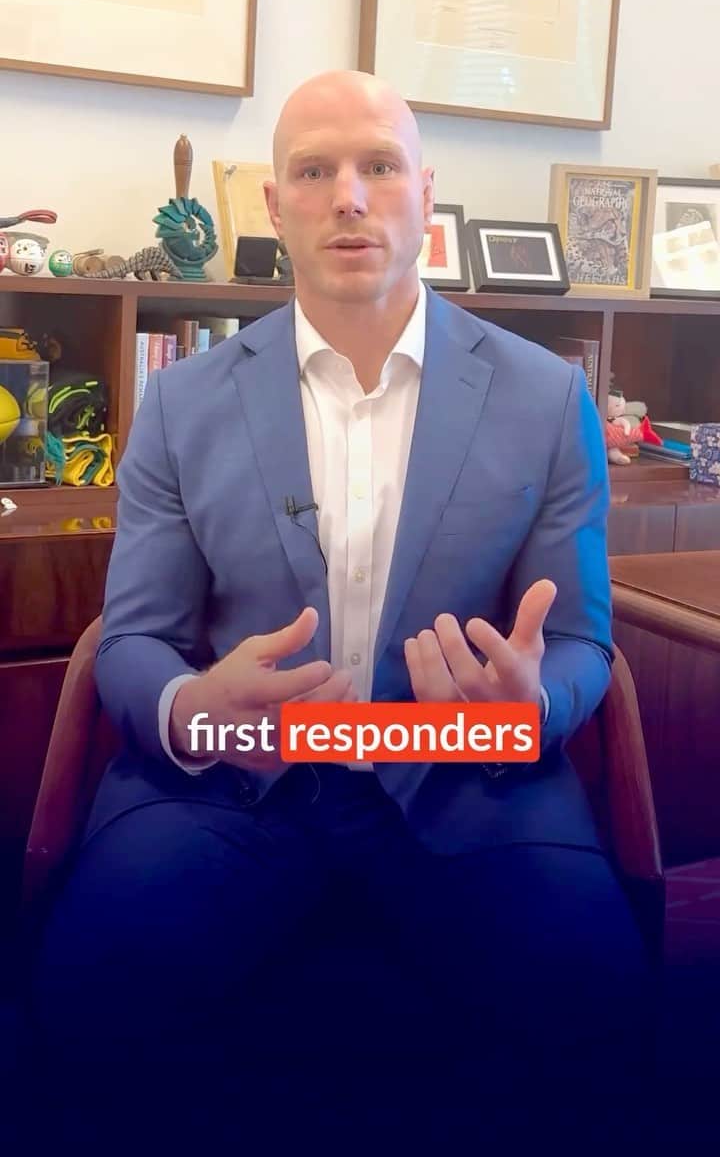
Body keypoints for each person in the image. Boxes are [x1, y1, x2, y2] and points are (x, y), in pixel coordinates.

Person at [28, 70, 653, 1153]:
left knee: (596, 995)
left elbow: (581, 641)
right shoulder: (181, 401)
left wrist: (527, 707)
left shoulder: (546, 397)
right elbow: (130, 639)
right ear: (276, 207)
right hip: (233, 777)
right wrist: (191, 708)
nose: (349, 197)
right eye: (315, 172)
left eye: (379, 166)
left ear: (426, 196)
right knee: (89, 986)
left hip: (465, 774)